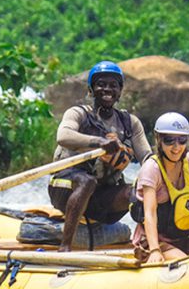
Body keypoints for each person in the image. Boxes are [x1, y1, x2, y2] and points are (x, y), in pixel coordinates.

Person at [48, 61, 152, 252]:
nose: (107, 89)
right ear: (91, 90)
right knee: (86, 181)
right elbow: (63, 136)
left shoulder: (130, 123)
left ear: (120, 92)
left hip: (102, 198)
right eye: (101, 84)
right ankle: (65, 247)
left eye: (113, 85)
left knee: (141, 192)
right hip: (65, 190)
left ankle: (150, 242)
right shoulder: (78, 113)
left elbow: (147, 157)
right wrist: (99, 142)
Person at [131, 113, 189, 263]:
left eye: (182, 140)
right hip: (152, 241)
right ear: (158, 139)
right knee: (183, 262)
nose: (176, 147)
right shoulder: (152, 169)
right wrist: (155, 250)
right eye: (169, 140)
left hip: (181, 238)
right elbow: (149, 214)